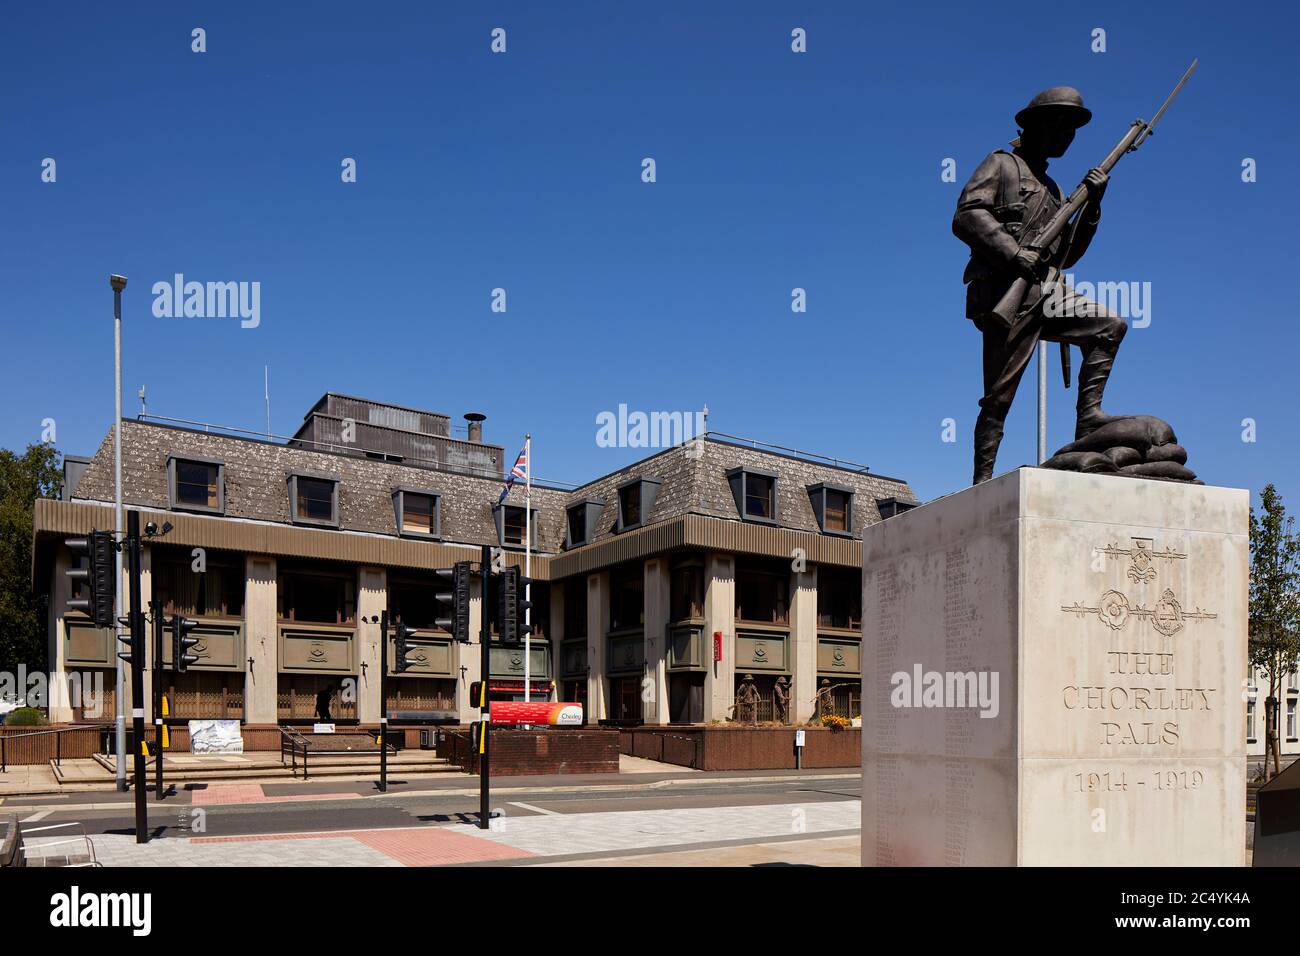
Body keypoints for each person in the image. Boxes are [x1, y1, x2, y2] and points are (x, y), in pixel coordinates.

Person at [953, 86, 1127, 485]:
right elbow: (966, 214)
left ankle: (1088, 418)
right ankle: (982, 482)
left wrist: (1094, 204)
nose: (1067, 137)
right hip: (1004, 293)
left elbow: (1067, 256)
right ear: (1036, 126)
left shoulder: (1055, 192)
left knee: (1110, 326)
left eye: (1072, 131)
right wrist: (1014, 254)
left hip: (1045, 293)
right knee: (998, 399)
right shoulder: (1001, 165)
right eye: (1060, 127)